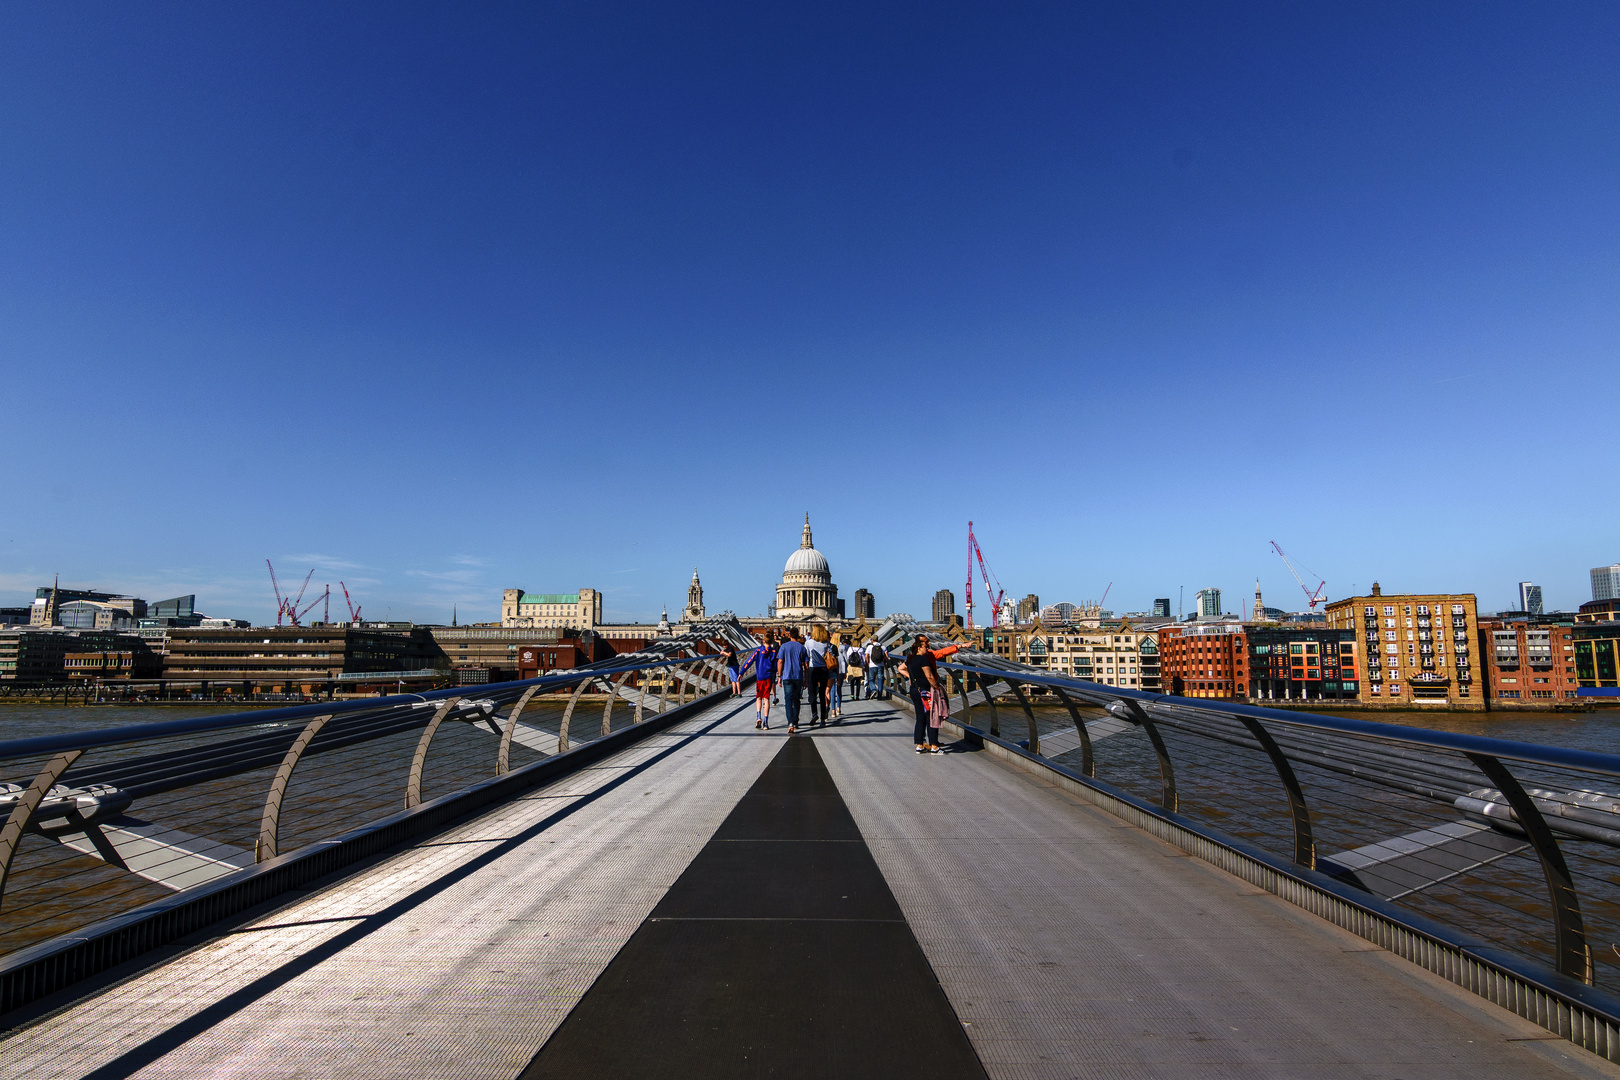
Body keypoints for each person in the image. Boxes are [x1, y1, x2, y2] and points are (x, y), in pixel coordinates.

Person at [904, 633, 960, 754]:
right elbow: (929, 676)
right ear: (919, 647)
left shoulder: (910, 659)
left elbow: (902, 669)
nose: (928, 649)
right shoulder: (923, 659)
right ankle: (934, 747)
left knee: (920, 717)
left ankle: (919, 745)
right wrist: (937, 688)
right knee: (932, 717)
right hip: (925, 692)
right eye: (925, 647)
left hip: (914, 690)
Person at [776, 627, 809, 734]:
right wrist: (806, 679)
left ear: (789, 635)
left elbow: (780, 661)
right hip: (798, 676)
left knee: (788, 700)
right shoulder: (802, 647)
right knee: (796, 700)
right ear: (798, 635)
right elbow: (806, 665)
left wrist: (779, 676)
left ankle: (790, 722)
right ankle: (795, 721)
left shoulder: (784, 647)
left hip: (787, 676)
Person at [804, 625, 832, 727]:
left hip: (813, 669)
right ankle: (823, 720)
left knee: (812, 693)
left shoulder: (809, 643)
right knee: (822, 694)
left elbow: (806, 657)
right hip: (824, 669)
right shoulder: (826, 643)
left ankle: (814, 713)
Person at [747, 637, 778, 728]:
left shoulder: (758, 650)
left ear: (763, 641)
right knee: (766, 699)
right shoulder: (773, 652)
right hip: (768, 678)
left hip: (760, 677)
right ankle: (765, 722)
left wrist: (741, 673)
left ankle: (758, 717)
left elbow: (749, 661)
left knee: (759, 698)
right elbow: (775, 666)